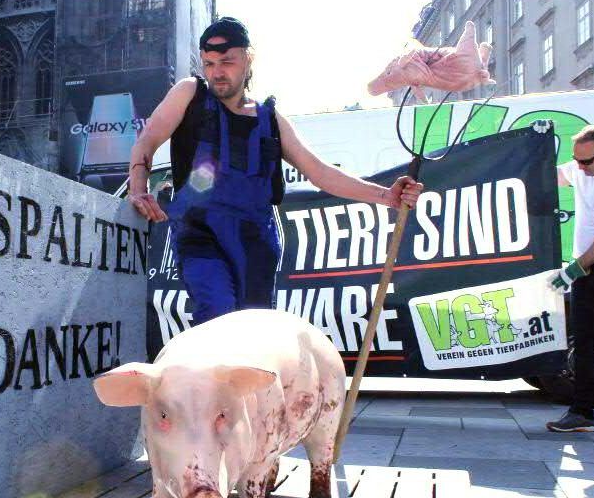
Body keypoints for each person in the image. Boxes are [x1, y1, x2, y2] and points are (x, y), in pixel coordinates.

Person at [127, 17, 423, 326]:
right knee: (217, 312)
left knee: (253, 332)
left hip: (255, 243)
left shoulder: (271, 120)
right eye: (209, 63)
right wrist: (138, 188)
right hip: (200, 234)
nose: (217, 72)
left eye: (226, 61)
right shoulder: (190, 93)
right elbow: (147, 140)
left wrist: (386, 196)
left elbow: (319, 172)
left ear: (248, 58)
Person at [546, 126, 594, 433]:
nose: (580, 167)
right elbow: (546, 176)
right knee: (584, 341)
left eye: (587, 161)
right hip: (586, 271)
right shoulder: (581, 168)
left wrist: (577, 267)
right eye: (576, 161)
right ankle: (582, 413)